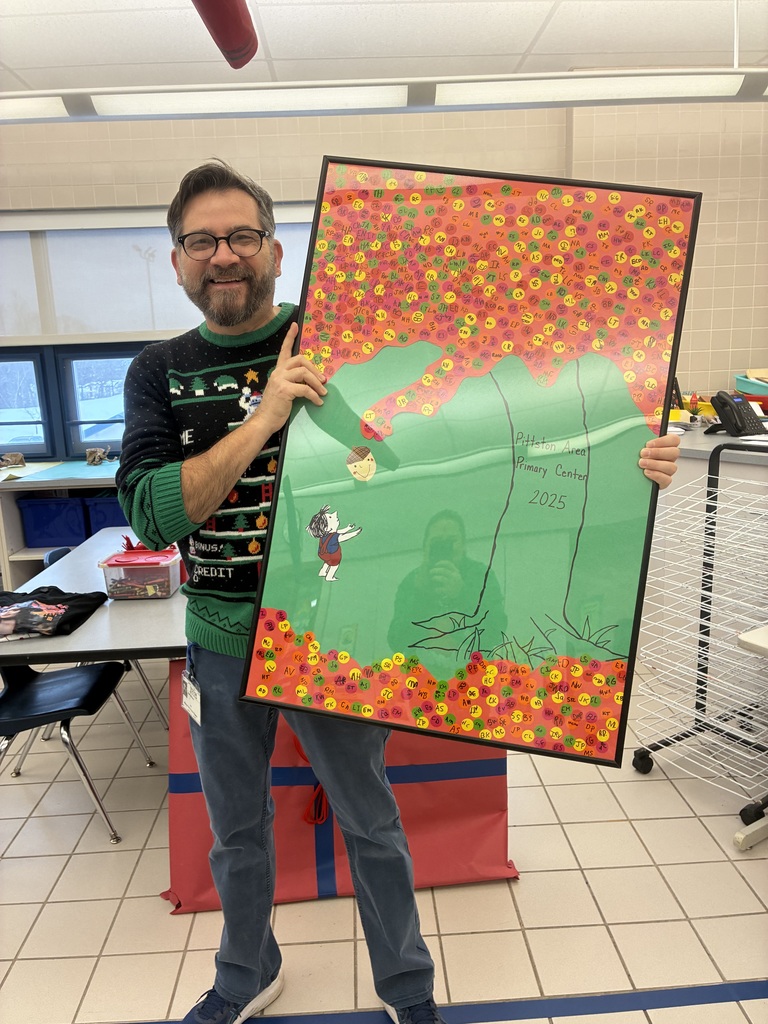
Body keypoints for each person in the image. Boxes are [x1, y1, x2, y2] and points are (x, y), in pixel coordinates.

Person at [117, 160, 681, 1024]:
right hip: (221, 642)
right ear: (177, 261)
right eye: (201, 241)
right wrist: (265, 418)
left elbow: (455, 434)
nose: (222, 255)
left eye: (242, 237)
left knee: (370, 821)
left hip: (330, 631)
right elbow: (157, 516)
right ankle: (244, 975)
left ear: (275, 251)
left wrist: (624, 459)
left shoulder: (340, 339)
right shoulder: (158, 370)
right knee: (235, 833)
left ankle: (406, 987)